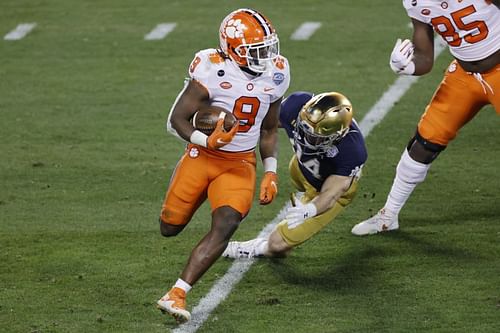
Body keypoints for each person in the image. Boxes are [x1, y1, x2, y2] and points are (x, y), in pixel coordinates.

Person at [155, 8, 290, 323]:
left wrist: (270, 170)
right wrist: (206, 140)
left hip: (239, 163)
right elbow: (176, 120)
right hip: (201, 157)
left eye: (269, 47)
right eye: (258, 50)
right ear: (233, 49)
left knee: (227, 223)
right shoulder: (211, 67)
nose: (267, 56)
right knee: (169, 227)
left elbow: (270, 129)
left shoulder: (278, 72)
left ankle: (177, 292)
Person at [352, 0, 499, 236]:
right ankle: (388, 216)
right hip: (464, 75)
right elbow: (424, 59)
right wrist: (405, 66)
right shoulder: (416, 1)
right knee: (424, 142)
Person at [222, 91, 367, 259]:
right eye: (303, 127)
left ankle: (258, 247)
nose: (305, 137)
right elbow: (264, 123)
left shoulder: (353, 151)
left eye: (314, 137)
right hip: (300, 168)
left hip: (324, 191)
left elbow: (330, 195)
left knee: (276, 244)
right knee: (295, 171)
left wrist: (309, 210)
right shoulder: (295, 105)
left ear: (336, 136)